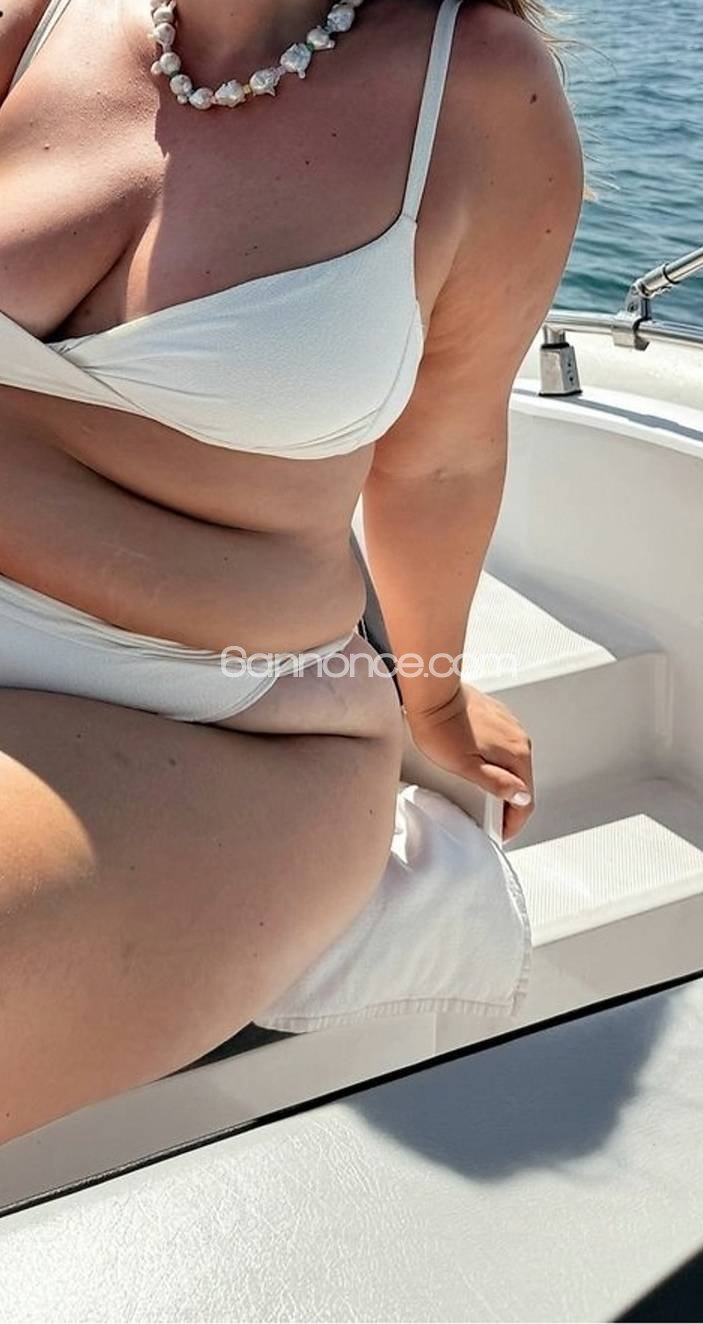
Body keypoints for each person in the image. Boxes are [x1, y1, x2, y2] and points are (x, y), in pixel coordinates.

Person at [0, 0, 582, 1142]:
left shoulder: (476, 87)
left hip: (216, 715)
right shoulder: (37, 18)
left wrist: (432, 694)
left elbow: (443, 462)